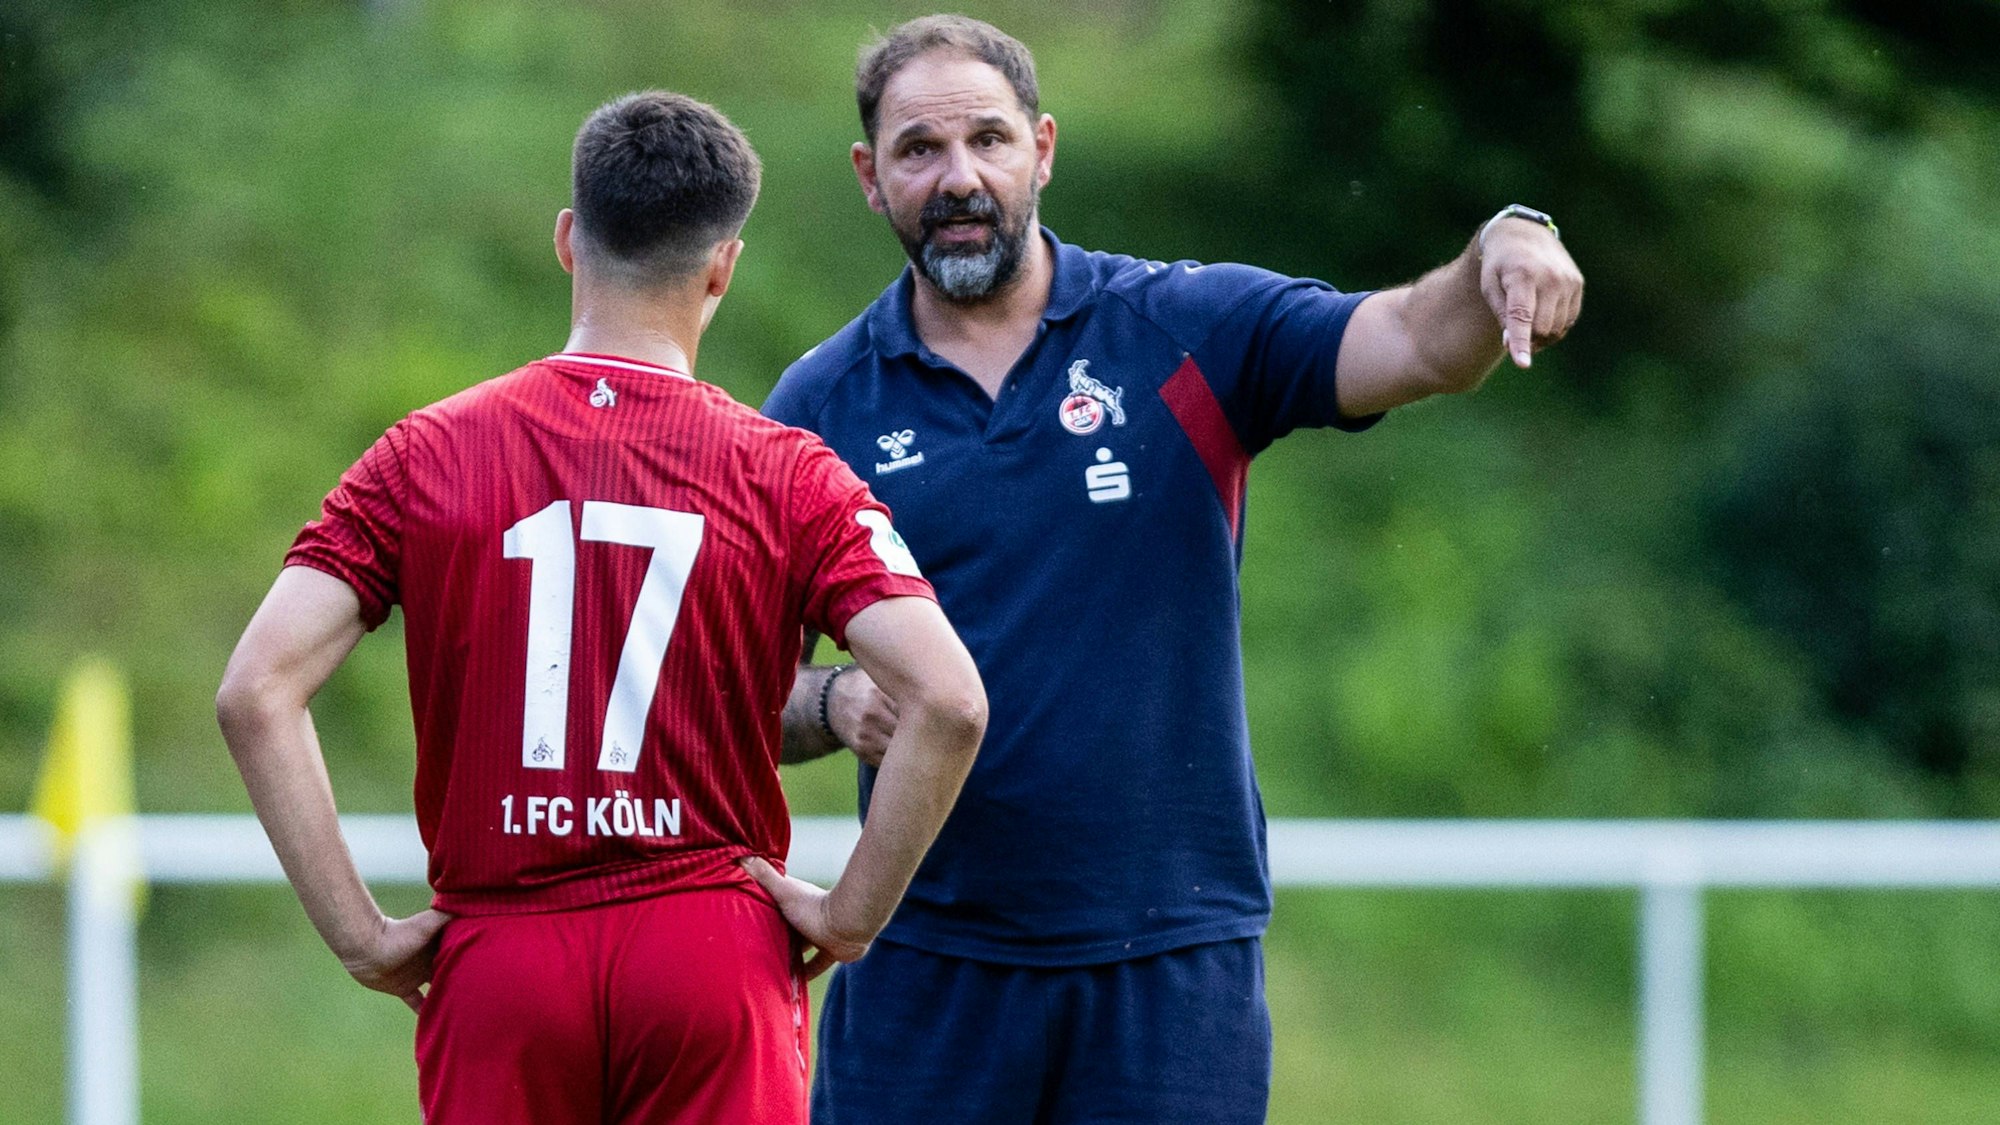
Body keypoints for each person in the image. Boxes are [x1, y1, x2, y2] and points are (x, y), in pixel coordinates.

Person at [762, 15, 1585, 1124]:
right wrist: (834, 697)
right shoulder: (818, 409)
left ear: (1042, 149)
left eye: (988, 142)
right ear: (870, 176)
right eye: (918, 151)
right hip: (924, 964)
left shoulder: (1183, 326)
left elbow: (1418, 342)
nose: (957, 179)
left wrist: (1505, 239)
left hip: (1169, 963)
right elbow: (732, 699)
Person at [215, 90, 986, 1125]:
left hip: (502, 958)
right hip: (708, 951)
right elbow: (948, 700)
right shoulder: (787, 473)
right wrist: (847, 918)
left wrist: (359, 934)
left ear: (569, 242)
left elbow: (256, 691)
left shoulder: (424, 454)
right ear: (723, 266)